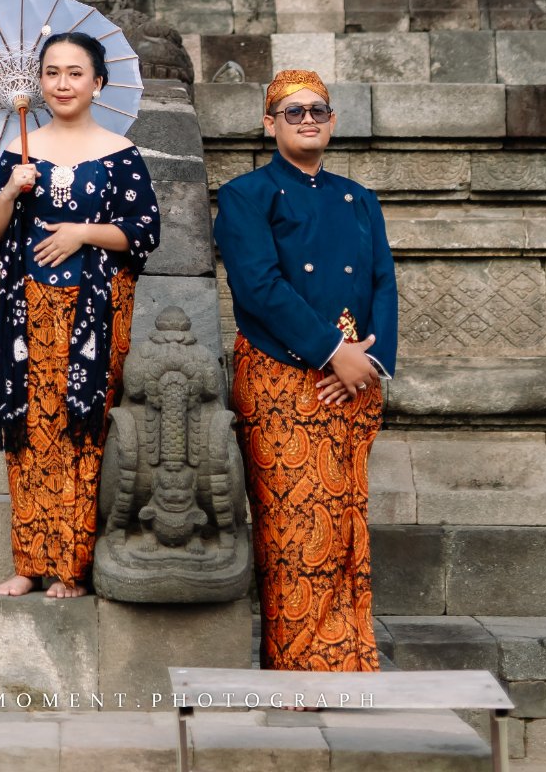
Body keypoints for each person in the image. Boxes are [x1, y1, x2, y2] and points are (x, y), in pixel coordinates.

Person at [213, 68, 397, 671]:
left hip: (356, 381)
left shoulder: (360, 199)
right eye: (293, 111)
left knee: (345, 524)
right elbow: (259, 287)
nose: (308, 119)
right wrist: (331, 351)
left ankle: (349, 664)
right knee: (296, 527)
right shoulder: (246, 196)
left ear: (333, 121)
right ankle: (300, 672)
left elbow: (383, 283)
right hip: (282, 375)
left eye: (318, 109)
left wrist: (367, 361)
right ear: (270, 124)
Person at [0, 29, 161, 599]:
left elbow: (144, 231)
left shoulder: (119, 153)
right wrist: (11, 190)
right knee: (29, 426)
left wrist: (83, 233)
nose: (62, 83)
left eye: (75, 73)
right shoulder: (20, 151)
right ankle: (29, 560)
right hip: (29, 308)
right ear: (39, 82)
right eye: (52, 72)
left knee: (82, 426)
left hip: (94, 311)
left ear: (97, 83)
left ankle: (72, 565)